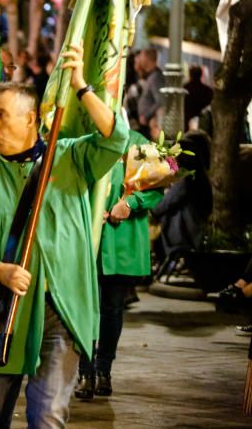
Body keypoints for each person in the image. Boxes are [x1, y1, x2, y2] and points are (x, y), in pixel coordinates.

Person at [0, 45, 130, 429]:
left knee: (48, 417)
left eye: (1, 116)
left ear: (32, 119)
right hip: (4, 311)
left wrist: (80, 87)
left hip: (61, 307)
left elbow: (115, 138)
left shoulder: (70, 158)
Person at [75, 129, 163, 401]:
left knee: (112, 308)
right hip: (86, 237)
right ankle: (84, 371)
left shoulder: (136, 143)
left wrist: (131, 203)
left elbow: (155, 189)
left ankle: (104, 370)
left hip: (120, 239)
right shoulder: (81, 139)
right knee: (83, 307)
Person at [134, 48, 164, 137]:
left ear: (147, 59)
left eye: (141, 57)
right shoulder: (152, 75)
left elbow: (160, 100)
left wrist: (146, 116)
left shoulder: (155, 77)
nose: (139, 60)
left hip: (150, 126)